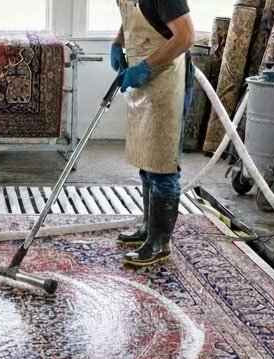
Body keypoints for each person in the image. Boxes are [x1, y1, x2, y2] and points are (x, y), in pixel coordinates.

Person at [111, 0, 195, 267]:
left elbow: (186, 36)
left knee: (162, 162)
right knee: (147, 157)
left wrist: (145, 67)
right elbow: (136, 17)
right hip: (144, 81)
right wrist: (118, 41)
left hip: (167, 78)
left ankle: (160, 242)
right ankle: (149, 229)